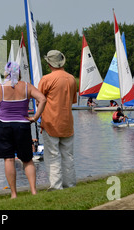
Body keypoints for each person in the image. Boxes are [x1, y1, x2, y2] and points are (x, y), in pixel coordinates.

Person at [0, 61, 46, 199]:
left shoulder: (0, 88)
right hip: (22, 126)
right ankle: (34, 191)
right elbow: (43, 99)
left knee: (9, 159)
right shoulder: (27, 86)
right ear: (19, 73)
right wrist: (35, 117)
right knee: (27, 159)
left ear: (6, 73)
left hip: (4, 126)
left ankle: (13, 194)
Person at [38, 50, 77, 191]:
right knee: (68, 156)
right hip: (67, 123)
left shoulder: (46, 79)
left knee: (52, 156)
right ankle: (70, 184)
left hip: (50, 123)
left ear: (49, 63)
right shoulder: (72, 79)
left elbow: (39, 101)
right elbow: (72, 101)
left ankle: (56, 186)